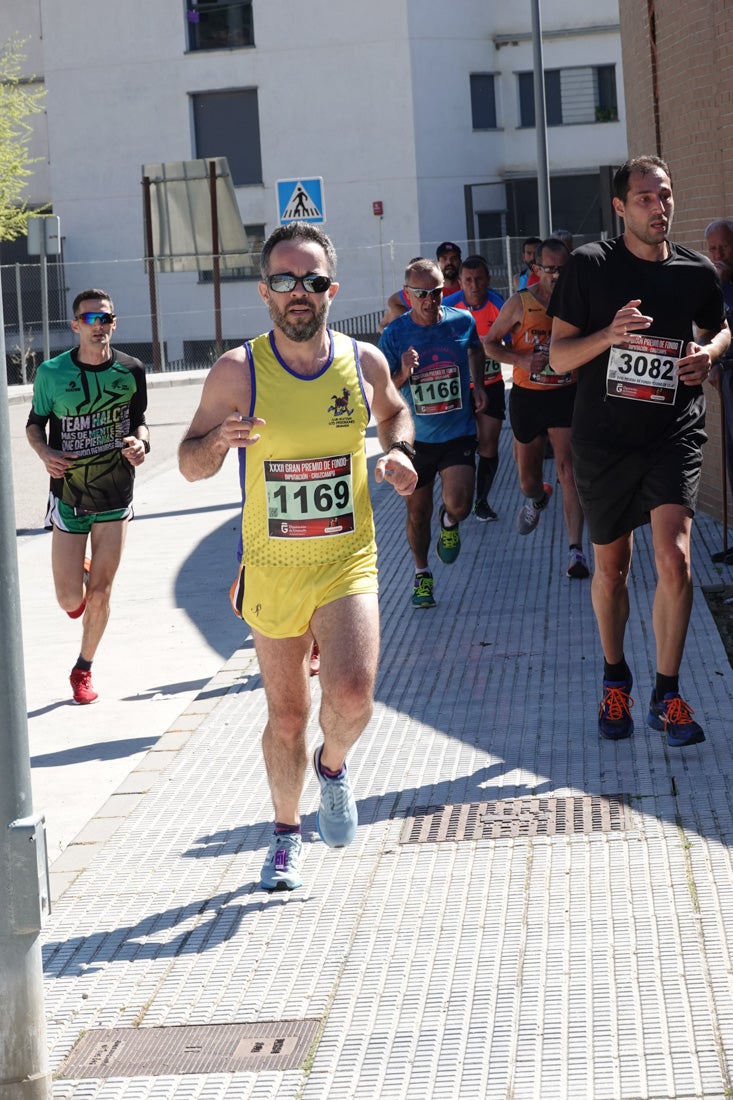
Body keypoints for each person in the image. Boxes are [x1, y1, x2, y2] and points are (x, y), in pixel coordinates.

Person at [178, 223, 417, 892]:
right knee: (285, 716)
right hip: (273, 566)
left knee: (351, 694)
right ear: (264, 291)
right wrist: (218, 442)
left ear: (331, 290)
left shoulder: (362, 360)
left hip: (347, 557)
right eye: (284, 281)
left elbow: (395, 413)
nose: (298, 293)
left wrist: (398, 452)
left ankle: (333, 768)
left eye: (311, 281)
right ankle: (284, 835)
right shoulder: (237, 370)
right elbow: (188, 463)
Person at [548, 155, 730, 746]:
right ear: (621, 207)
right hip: (603, 439)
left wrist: (712, 354)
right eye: (646, 198)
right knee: (613, 567)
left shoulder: (695, 272)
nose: (660, 207)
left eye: (666, 195)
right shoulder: (589, 266)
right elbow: (557, 357)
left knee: (674, 558)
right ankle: (615, 676)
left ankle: (667, 692)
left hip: (672, 431)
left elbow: (720, 325)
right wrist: (608, 336)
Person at [26, 290, 150, 705]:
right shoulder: (51, 373)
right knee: (70, 600)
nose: (99, 324)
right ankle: (78, 569)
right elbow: (34, 425)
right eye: (90, 318)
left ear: (114, 323)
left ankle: (83, 669)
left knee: (100, 594)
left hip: (116, 494)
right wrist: (45, 454)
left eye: (106, 318)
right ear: (75, 324)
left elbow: (140, 422)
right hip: (69, 495)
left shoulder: (132, 370)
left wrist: (141, 445)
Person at [378, 257, 485, 608]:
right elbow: (382, 392)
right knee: (417, 513)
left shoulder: (462, 320)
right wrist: (404, 373)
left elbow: (476, 348)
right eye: (421, 293)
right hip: (415, 439)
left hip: (457, 431)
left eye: (436, 292)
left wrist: (479, 385)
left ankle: (450, 521)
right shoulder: (394, 335)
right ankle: (422, 574)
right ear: (408, 294)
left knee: (460, 503)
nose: (430, 299)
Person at [484, 239, 589, 578]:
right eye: (551, 269)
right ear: (537, 269)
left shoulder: (578, 301)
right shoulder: (521, 303)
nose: (557, 275)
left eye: (564, 268)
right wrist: (521, 359)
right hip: (528, 398)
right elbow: (489, 344)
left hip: (564, 394)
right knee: (528, 480)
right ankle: (537, 498)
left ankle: (576, 552)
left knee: (568, 471)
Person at [444, 255, 506, 520]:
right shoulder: (448, 306)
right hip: (458, 388)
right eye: (468, 280)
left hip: (491, 384)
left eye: (479, 279)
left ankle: (481, 501)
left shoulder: (499, 306)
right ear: (460, 282)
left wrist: (491, 349)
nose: (474, 285)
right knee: (462, 444)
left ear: (488, 279)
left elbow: (516, 346)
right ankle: (458, 497)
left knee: (489, 445)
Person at [704, 219, 733, 563]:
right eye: (712, 249)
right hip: (726, 377)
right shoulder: (716, 285)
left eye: (723, 247)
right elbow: (707, 329)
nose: (717, 255)